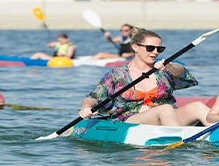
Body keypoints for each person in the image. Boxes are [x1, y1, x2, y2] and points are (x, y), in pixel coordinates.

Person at [79, 29, 211, 126]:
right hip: (132, 120)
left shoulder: (164, 69)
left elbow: (181, 72)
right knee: (165, 109)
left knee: (198, 106)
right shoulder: (117, 74)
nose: (155, 52)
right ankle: (177, 145)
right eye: (150, 48)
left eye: (159, 49)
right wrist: (86, 108)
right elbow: (93, 98)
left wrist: (170, 65)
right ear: (135, 47)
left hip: (169, 119)